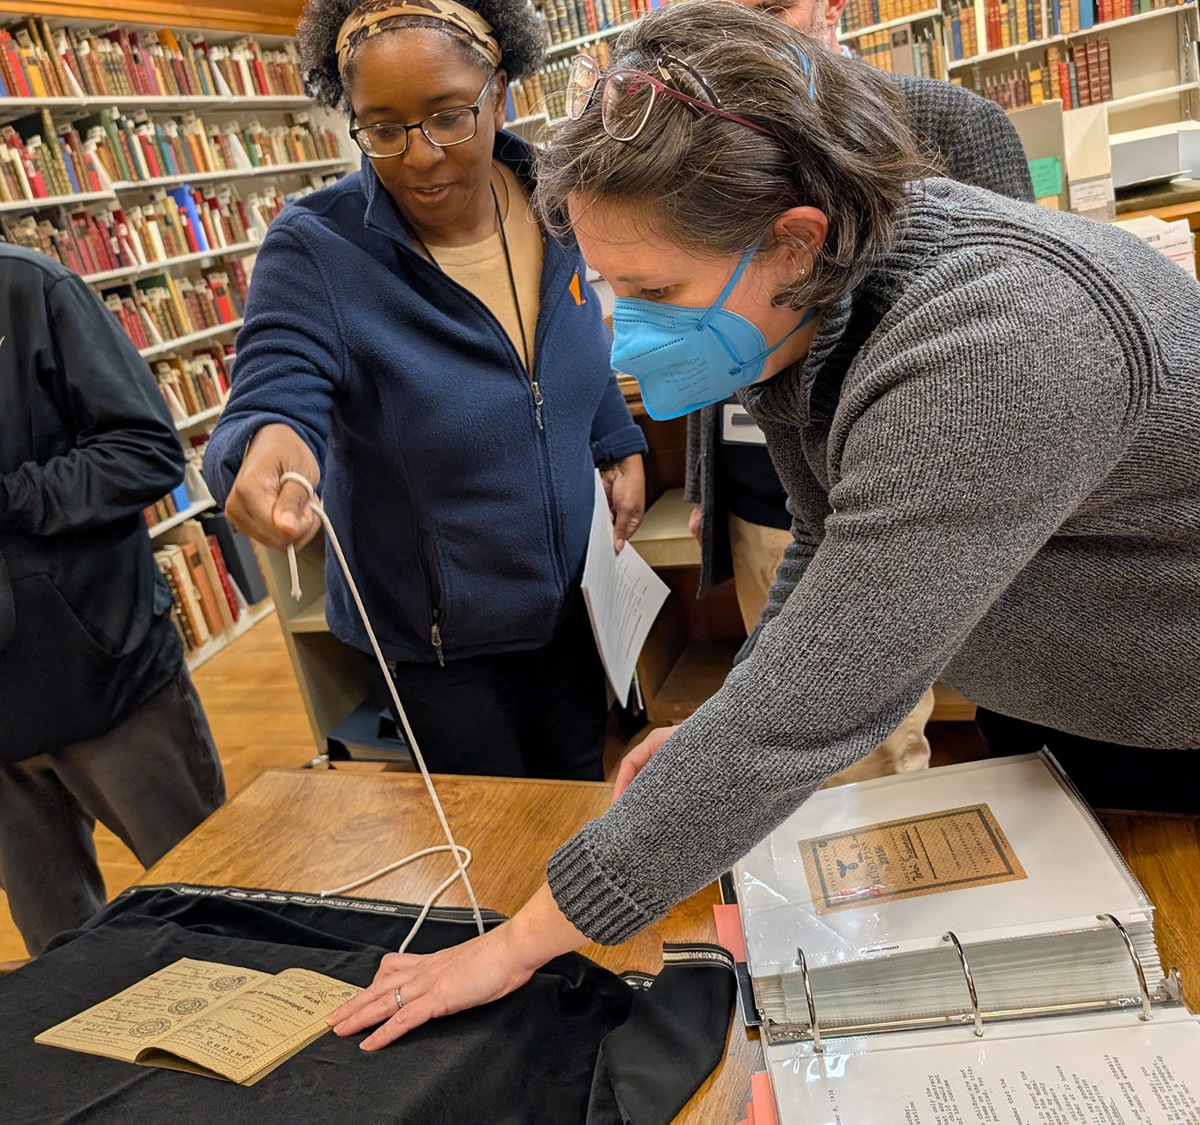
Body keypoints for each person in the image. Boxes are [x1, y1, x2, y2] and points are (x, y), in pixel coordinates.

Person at [327, 0, 1200, 1048]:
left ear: (793, 241)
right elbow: (827, 534)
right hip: (1061, 693)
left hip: (1173, 715)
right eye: (612, 291)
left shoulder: (1002, 341)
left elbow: (822, 697)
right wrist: (727, 712)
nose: (628, 340)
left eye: (654, 291)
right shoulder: (812, 301)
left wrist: (517, 944)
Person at [204, 0, 647, 781]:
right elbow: (277, 375)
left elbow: (568, 340)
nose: (419, 155)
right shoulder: (317, 246)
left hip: (575, 602)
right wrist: (266, 440)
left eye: (448, 116)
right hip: (440, 644)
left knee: (576, 790)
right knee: (493, 848)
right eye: (382, 127)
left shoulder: (555, 194)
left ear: (500, 86)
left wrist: (614, 440)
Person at [685, 0, 1036, 787]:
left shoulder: (949, 122)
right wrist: (707, 479)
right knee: (784, 738)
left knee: (867, 757)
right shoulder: (698, 145)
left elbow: (1020, 324)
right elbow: (703, 310)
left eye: (773, 6)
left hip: (886, 485)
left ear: (830, 8)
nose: (747, 27)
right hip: (757, 488)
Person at [0, 243, 224, 956]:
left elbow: (148, 448)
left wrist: (14, 496)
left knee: (217, 907)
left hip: (106, 678)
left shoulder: (33, 288)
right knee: (60, 958)